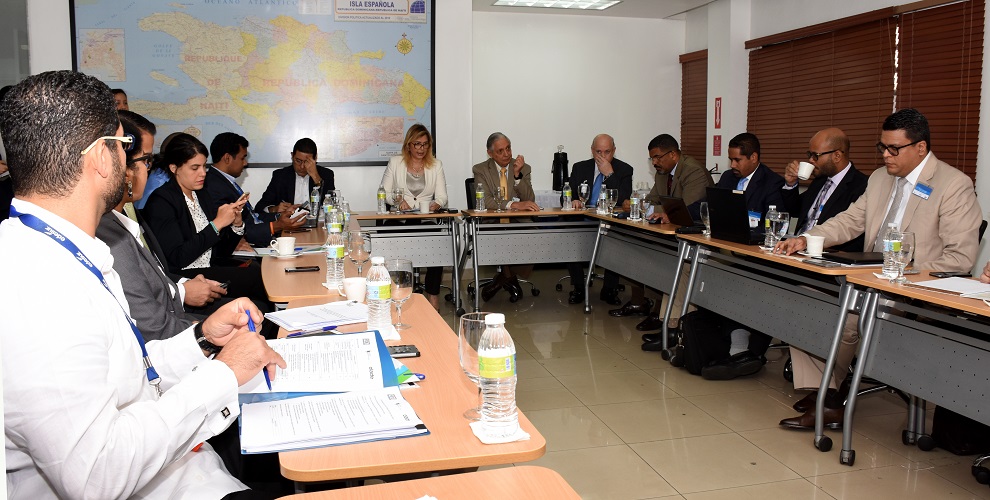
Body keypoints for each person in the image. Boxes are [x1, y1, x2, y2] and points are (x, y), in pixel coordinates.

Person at [0, 69, 285, 499]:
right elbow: (98, 476)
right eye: (125, 146)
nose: (137, 163)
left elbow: (130, 376)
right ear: (100, 156)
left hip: (180, 466)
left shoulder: (69, 247)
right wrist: (225, 373)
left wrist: (203, 340)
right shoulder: (37, 288)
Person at [775, 108, 982, 429]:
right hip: (867, 280)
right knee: (802, 297)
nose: (885, 155)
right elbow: (850, 221)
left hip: (916, 291)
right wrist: (806, 238)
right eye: (881, 147)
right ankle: (827, 388)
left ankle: (829, 401)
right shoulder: (880, 178)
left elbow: (959, 259)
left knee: (846, 319)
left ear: (921, 148)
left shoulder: (954, 185)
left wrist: (898, 275)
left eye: (893, 149)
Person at [95, 110, 229, 341]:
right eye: (146, 160)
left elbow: (158, 270)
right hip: (170, 313)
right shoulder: (157, 202)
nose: (148, 168)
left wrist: (233, 226)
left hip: (179, 291)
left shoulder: (130, 211)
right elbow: (151, 316)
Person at [143, 133, 274, 316]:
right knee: (256, 290)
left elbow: (220, 250)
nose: (203, 173)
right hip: (187, 278)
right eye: (195, 168)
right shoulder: (162, 202)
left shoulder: (201, 194)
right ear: (174, 168)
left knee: (259, 283)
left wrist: (236, 225)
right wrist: (216, 224)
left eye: (204, 166)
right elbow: (178, 258)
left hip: (210, 267)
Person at [692, 132, 785, 380]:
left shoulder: (772, 182)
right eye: (730, 160)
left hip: (755, 251)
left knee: (735, 276)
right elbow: (709, 204)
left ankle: (740, 344)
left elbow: (772, 224)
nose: (732, 165)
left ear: (753, 157)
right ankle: (710, 338)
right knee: (701, 268)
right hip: (726, 245)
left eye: (737, 160)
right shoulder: (726, 177)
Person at [626, 135, 714, 351]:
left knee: (677, 265)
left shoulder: (693, 171)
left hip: (699, 238)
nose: (654, 163)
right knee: (647, 253)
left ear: (673, 154)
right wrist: (639, 205)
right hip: (675, 236)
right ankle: (665, 322)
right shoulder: (662, 172)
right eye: (652, 159)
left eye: (657, 157)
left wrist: (644, 208)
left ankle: (672, 327)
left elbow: (687, 210)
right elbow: (654, 202)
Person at [380, 123, 448, 309]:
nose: (421, 149)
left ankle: (432, 294)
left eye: (425, 144)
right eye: (417, 144)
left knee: (438, 241)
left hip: (425, 220)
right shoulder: (396, 162)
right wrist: (396, 201)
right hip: (400, 219)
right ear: (408, 145)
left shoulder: (436, 165)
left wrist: (437, 204)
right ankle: (399, 290)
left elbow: (442, 196)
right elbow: (383, 192)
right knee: (390, 237)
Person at [565, 133, 633, 306]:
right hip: (583, 219)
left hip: (610, 220)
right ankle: (579, 287)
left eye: (607, 152)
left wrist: (610, 174)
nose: (602, 157)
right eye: (598, 152)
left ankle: (610, 289)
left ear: (614, 151)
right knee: (570, 235)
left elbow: (623, 199)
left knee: (617, 238)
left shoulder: (624, 170)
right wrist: (572, 200)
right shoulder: (580, 168)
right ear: (592, 151)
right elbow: (566, 195)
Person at [204, 132, 306, 247]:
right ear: (227, 158)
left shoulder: (225, 182)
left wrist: (280, 215)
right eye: (242, 158)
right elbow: (231, 232)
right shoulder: (213, 187)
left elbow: (253, 217)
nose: (245, 163)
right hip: (244, 248)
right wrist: (276, 226)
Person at [472, 132, 540, 301]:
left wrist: (517, 176)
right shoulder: (480, 169)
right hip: (491, 221)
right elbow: (486, 200)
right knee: (504, 236)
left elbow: (529, 200)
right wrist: (513, 204)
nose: (507, 154)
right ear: (490, 153)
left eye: (508, 148)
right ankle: (508, 278)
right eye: (500, 151)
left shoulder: (523, 167)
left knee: (534, 235)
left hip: (517, 221)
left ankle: (503, 279)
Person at [779, 128, 868, 252]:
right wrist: (790, 184)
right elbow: (795, 211)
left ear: (837, 156)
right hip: (798, 248)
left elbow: (851, 232)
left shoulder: (862, 186)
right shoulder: (820, 180)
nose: (810, 160)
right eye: (809, 155)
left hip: (827, 255)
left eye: (816, 156)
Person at [256, 137, 334, 216]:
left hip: (318, 225)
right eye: (298, 161)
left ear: (315, 159)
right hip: (288, 225)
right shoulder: (280, 176)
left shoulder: (326, 174)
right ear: (292, 156)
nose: (302, 166)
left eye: (306, 162)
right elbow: (259, 207)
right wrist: (274, 209)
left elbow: (332, 206)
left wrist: (316, 178)